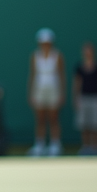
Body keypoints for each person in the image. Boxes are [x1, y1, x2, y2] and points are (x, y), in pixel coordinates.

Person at [27, 28, 65, 156]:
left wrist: (62, 93)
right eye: (43, 42)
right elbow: (32, 75)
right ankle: (39, 145)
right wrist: (31, 93)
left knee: (54, 118)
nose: (45, 44)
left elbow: (61, 75)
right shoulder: (35, 56)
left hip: (54, 89)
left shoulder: (57, 55)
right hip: (39, 89)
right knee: (40, 118)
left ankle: (55, 145)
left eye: (47, 42)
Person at [73, 41, 97, 155]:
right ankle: (86, 147)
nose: (88, 53)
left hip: (96, 98)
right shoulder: (79, 67)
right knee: (84, 125)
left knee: (95, 125)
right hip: (83, 98)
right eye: (86, 51)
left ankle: (95, 147)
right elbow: (76, 84)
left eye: (90, 51)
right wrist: (75, 99)